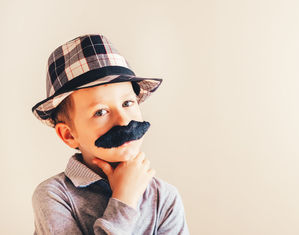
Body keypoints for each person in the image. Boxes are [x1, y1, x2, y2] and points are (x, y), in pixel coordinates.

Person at [31, 34, 190, 234]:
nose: (123, 121)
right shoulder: (54, 196)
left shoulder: (164, 198)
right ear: (69, 135)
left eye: (127, 103)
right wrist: (124, 200)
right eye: (100, 112)